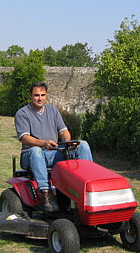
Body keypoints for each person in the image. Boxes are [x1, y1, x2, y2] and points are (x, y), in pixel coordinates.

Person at [14, 81, 93, 212]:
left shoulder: (52, 110)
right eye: (36, 95)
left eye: (42, 95)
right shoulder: (22, 113)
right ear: (30, 95)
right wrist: (44, 143)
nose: (40, 98)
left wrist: (68, 142)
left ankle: (89, 186)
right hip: (32, 155)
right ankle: (46, 194)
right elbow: (25, 138)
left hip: (54, 152)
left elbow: (63, 131)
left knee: (83, 144)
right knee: (36, 151)